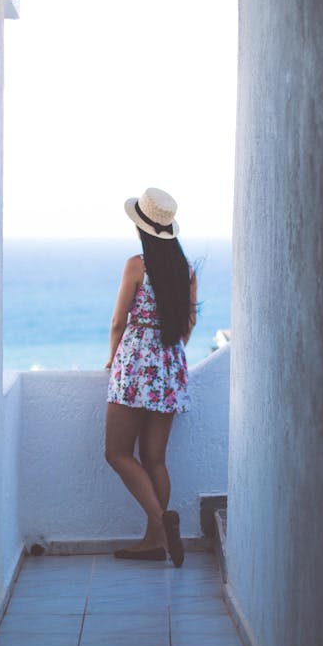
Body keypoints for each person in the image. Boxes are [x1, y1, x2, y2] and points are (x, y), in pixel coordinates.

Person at [105, 187, 197, 567]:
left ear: (142, 228)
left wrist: (113, 358)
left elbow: (117, 321)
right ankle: (154, 540)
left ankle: (160, 526)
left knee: (117, 453)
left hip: (135, 367)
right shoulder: (186, 271)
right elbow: (187, 328)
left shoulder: (136, 265)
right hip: (170, 367)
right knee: (155, 459)